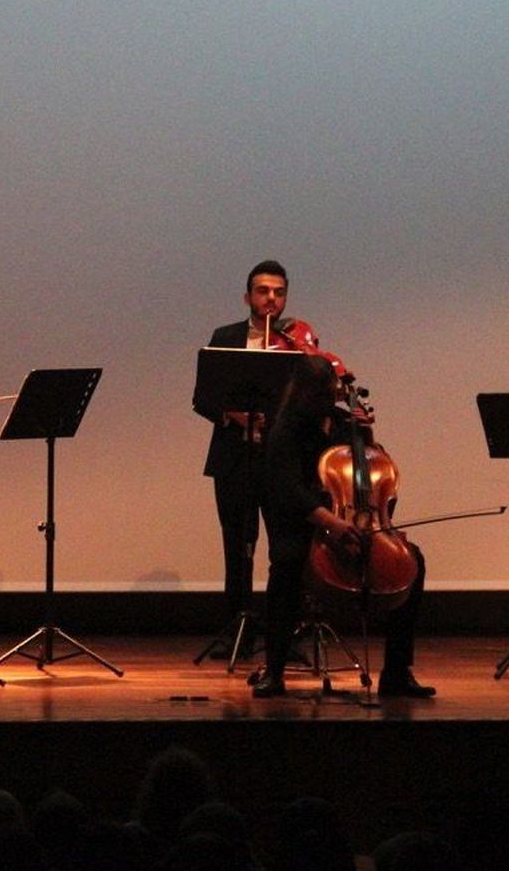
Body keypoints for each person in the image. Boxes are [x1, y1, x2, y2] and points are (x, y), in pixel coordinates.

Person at [252, 354, 434, 699]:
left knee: (414, 562)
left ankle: (397, 672)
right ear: (302, 393)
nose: (326, 400)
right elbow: (286, 488)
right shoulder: (285, 428)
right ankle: (274, 671)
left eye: (329, 393)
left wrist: (365, 433)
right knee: (287, 566)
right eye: (319, 395)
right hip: (305, 522)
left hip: (350, 521)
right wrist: (331, 524)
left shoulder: (340, 422)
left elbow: (371, 474)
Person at [193, 260, 292, 652]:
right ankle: (237, 632)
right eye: (264, 291)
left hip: (280, 457)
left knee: (284, 549)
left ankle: (282, 634)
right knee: (237, 546)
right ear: (247, 296)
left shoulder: (295, 340)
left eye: (279, 292)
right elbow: (202, 399)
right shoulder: (225, 336)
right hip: (234, 454)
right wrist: (231, 415)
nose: (271, 298)